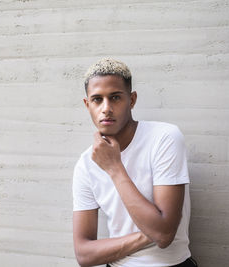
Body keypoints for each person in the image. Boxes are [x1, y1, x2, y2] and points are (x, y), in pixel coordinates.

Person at [72, 58, 197, 267]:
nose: (106, 108)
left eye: (115, 97)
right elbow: (84, 254)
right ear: (87, 104)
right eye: (97, 99)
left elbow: (164, 236)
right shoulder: (85, 164)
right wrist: (150, 235)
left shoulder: (164, 138)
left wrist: (114, 168)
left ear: (132, 100)